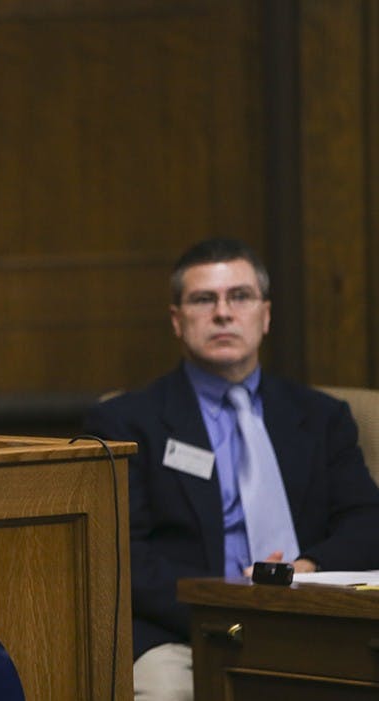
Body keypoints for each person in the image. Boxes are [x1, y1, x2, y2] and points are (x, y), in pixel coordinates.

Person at [83, 238, 379, 701]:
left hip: (317, 623)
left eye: (239, 297)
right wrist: (225, 603)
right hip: (186, 631)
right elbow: (124, 556)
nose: (223, 313)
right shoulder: (127, 421)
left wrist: (307, 569)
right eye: (204, 299)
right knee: (165, 692)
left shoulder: (324, 417)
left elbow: (367, 520)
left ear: (265, 315)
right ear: (178, 321)